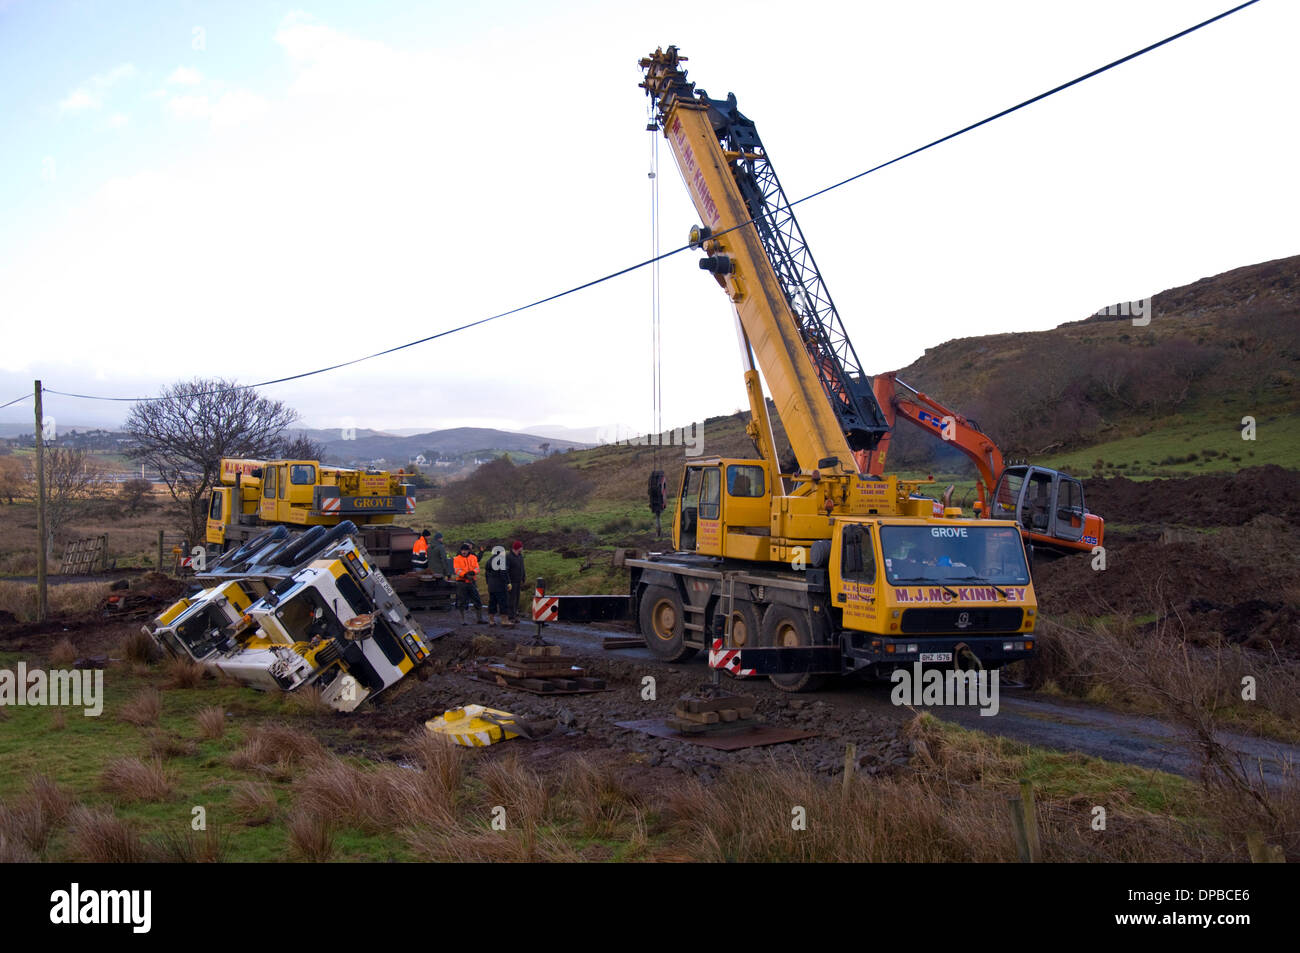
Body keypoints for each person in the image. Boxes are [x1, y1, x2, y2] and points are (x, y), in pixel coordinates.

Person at [452, 541, 484, 625]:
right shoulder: (457, 559)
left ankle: (479, 619)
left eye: (465, 550)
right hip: (461, 582)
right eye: (462, 550)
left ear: (468, 550)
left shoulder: (473, 558)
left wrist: (473, 573)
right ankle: (463, 620)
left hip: (471, 582)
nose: (464, 552)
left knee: (477, 600)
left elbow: (477, 568)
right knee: (461, 601)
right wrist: (465, 575)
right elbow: (457, 570)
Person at [483, 543, 510, 627]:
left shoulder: (489, 560)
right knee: (503, 603)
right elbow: (503, 573)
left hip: (491, 586)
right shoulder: (501, 560)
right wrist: (507, 582)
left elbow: (486, 574)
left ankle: (491, 620)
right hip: (500, 586)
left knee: (492, 603)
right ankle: (504, 621)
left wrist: (488, 583)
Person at [505, 540, 525, 626]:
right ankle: (510, 616)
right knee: (511, 599)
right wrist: (508, 581)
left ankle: (515, 614)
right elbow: (506, 570)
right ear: (517, 548)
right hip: (511, 581)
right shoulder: (508, 557)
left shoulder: (520, 556)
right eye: (521, 547)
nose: (522, 548)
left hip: (518, 581)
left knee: (516, 599)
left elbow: (522, 567)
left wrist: (523, 577)